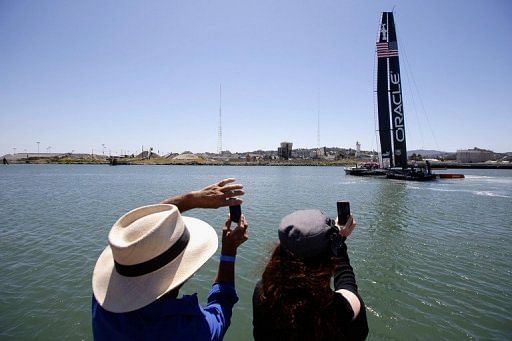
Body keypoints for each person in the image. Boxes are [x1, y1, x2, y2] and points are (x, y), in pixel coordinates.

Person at [91, 178, 249, 340]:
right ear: (184, 270)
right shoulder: (192, 331)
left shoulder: (104, 305)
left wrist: (190, 200)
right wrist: (229, 252)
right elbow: (221, 306)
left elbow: (138, 235)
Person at [253, 209, 369, 340]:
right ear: (327, 262)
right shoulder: (342, 311)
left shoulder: (263, 295)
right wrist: (339, 242)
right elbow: (347, 283)